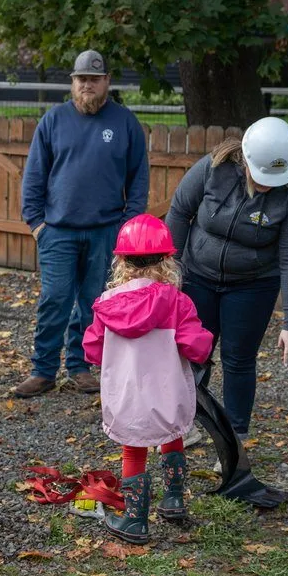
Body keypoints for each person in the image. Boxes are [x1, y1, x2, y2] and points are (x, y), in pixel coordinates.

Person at [164, 116, 288, 444]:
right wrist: (172, 269)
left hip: (252, 285)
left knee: (238, 359)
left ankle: (234, 440)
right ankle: (184, 425)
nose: (266, 185)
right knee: (191, 352)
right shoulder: (214, 168)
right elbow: (179, 211)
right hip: (198, 275)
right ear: (245, 159)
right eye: (261, 176)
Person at [14, 49, 150, 399]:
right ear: (73, 83)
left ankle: (80, 366)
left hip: (106, 231)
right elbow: (34, 176)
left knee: (94, 302)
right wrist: (37, 224)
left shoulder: (125, 123)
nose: (87, 85)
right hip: (57, 231)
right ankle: (43, 370)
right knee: (55, 298)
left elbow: (138, 180)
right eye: (81, 79)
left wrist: (126, 228)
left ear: (107, 81)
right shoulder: (53, 121)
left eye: (94, 79)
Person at [82, 214, 213, 545]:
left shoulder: (107, 305)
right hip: (168, 392)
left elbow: (92, 349)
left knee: (133, 449)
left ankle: (135, 520)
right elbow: (197, 347)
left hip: (127, 395)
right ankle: (174, 499)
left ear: (122, 261)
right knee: (172, 433)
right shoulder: (177, 302)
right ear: (167, 260)